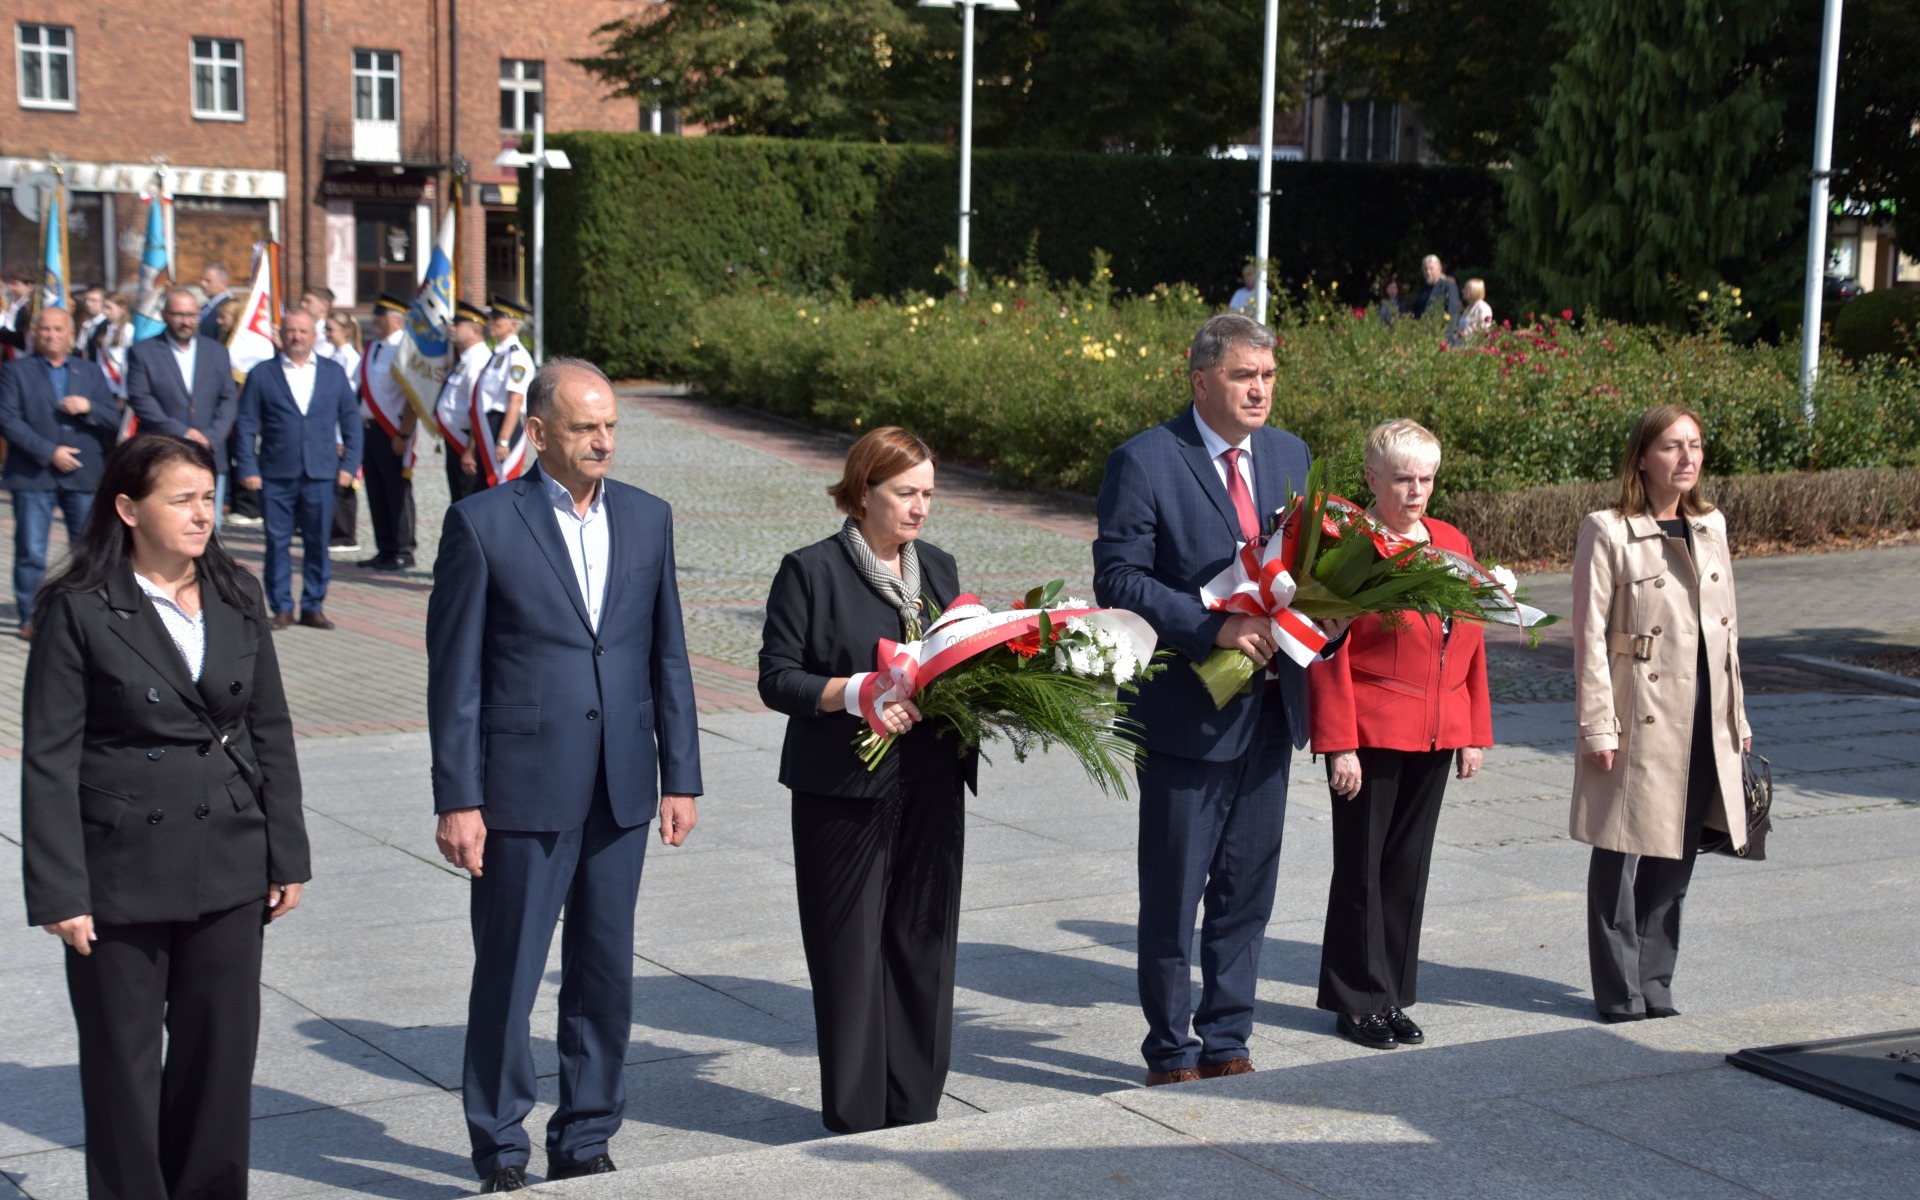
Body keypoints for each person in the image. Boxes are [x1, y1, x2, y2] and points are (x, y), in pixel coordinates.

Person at [428, 357, 701, 1193]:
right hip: (520, 790)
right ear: (540, 433)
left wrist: (680, 777)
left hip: (621, 785)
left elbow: (667, 655)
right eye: (586, 428)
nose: (603, 441)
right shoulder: (482, 523)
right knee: (509, 975)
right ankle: (500, 1147)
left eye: (611, 425)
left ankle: (586, 1134)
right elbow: (455, 677)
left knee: (603, 971)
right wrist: (459, 798)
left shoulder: (648, 518)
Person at [21, 434, 309, 1200]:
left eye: (208, 498)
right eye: (181, 500)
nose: (202, 514)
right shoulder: (79, 608)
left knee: (220, 1064)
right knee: (123, 1068)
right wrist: (60, 891)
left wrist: (287, 852)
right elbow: (50, 758)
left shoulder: (237, 593)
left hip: (230, 858)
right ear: (128, 508)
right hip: (120, 874)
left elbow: (270, 730)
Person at [1093, 313, 1348, 1086]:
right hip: (1186, 711)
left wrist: (1330, 610)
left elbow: (1308, 560)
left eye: (1267, 376)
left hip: (1270, 707)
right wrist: (1215, 627)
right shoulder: (1145, 460)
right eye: (1244, 377)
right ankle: (1170, 1049)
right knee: (1176, 889)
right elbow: (1119, 578)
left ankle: (1229, 1037)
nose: (1259, 390)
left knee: (1247, 886)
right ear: (1201, 380)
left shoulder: (1290, 454)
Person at [758, 426, 976, 1136]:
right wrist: (856, 693)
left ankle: (915, 1106)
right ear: (862, 493)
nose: (920, 508)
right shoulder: (811, 571)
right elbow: (776, 677)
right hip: (843, 789)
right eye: (906, 493)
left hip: (933, 783)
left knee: (923, 944)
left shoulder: (938, 568)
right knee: (849, 954)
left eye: (928, 494)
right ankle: (856, 1113)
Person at [1308, 420, 1492, 1050]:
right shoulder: (1350, 546)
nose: (1416, 491)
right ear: (1372, 478)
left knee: (1407, 870)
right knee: (1361, 870)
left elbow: (1470, 638)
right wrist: (1339, 743)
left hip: (1437, 729)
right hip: (1371, 729)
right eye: (1403, 479)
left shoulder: (1451, 541)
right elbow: (1326, 651)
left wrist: (1472, 730)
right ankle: (1354, 1001)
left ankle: (1390, 997)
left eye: (1427, 479)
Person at [1573, 404, 1752, 1023]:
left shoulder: (1711, 525)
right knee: (1619, 850)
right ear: (1643, 457)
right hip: (1637, 712)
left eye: (1695, 445)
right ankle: (1618, 989)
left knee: (1678, 849)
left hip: (1703, 712)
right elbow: (1589, 637)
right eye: (1673, 446)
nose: (1687, 457)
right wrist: (1598, 725)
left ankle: (1655, 980)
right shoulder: (1607, 530)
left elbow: (1728, 635)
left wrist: (1738, 720)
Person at [233, 308, 362, 631]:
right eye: (291, 331)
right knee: (277, 542)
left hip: (322, 474)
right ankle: (281, 607)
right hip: (276, 474)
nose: (297, 337)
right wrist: (247, 465)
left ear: (314, 336)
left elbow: (351, 422)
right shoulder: (262, 373)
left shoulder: (333, 373)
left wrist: (350, 465)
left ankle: (313, 606)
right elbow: (245, 424)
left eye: (303, 331)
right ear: (281, 335)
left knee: (317, 543)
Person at [0, 307, 122, 638]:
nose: (52, 335)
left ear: (70, 334)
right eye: (45, 329)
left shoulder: (90, 372)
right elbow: (7, 420)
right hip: (34, 474)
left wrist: (88, 407)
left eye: (58, 329)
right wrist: (49, 452)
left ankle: (89, 615)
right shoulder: (15, 371)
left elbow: (113, 419)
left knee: (88, 550)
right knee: (31, 550)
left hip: (83, 474)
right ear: (35, 333)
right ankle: (31, 617)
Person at [125, 286, 240, 530]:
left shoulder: (217, 352)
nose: (185, 322)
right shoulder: (143, 352)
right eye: (178, 315)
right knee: (165, 528)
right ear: (165, 315)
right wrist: (183, 433)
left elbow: (228, 398)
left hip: (208, 455)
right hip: (162, 453)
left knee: (207, 530)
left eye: (191, 315)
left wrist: (211, 436)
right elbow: (141, 399)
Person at [356, 293, 419, 570]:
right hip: (368, 428)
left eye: (380, 316)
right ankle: (385, 548)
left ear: (396, 321)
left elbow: (413, 399)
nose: (374, 320)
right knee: (376, 490)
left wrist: (404, 434)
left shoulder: (405, 350)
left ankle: (404, 549)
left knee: (397, 491)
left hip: (392, 430)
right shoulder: (373, 347)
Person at [470, 295, 536, 488]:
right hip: (488, 424)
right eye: (491, 317)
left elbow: (516, 400)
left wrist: (504, 440)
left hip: (503, 425)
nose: (490, 321)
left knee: (500, 483)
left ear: (513, 325)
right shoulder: (500, 354)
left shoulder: (516, 357)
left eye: (497, 318)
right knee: (485, 486)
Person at [435, 301, 494, 503]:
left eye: (458, 325)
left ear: (475, 331)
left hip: (467, 442)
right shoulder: (464, 359)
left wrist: (471, 449)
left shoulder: (479, 361)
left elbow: (478, 410)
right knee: (458, 500)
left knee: (468, 501)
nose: (451, 328)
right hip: (455, 441)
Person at [322, 310, 365, 554]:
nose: (327, 333)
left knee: (345, 485)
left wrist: (341, 438)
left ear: (346, 331)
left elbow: (348, 404)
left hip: (341, 431)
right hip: (330, 430)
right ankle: (333, 530)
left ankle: (345, 535)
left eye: (331, 329)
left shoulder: (351, 359)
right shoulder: (334, 355)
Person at [97, 291, 137, 404]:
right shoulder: (102, 328)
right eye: (104, 307)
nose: (105, 312)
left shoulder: (128, 330)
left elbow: (126, 364)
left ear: (122, 308)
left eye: (109, 308)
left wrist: (123, 395)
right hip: (103, 385)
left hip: (117, 386)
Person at [1409, 255, 1462, 322]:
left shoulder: (1448, 287)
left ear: (1439, 269)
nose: (1428, 272)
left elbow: (1452, 312)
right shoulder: (1422, 290)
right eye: (1426, 269)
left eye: (1431, 269)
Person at [1, 268, 32, 358]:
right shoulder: (12, 305)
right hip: (7, 352)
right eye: (10, 284)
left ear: (29, 286)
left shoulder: (29, 308)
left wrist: (3, 332)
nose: (10, 287)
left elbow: (22, 337)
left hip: (20, 355)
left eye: (15, 284)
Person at [74, 286, 111, 359]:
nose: (88, 304)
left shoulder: (108, 325)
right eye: (86, 300)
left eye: (93, 300)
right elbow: (80, 349)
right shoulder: (86, 324)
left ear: (104, 302)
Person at [197, 264, 232, 341]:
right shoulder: (204, 307)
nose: (202, 284)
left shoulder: (228, 307)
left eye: (208, 281)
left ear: (223, 284)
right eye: (201, 279)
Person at [1453, 278, 1493, 345]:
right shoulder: (1468, 308)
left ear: (1474, 291)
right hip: (1462, 347)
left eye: (1466, 289)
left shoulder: (1482, 308)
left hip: (1474, 347)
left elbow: (1484, 330)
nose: (1463, 291)